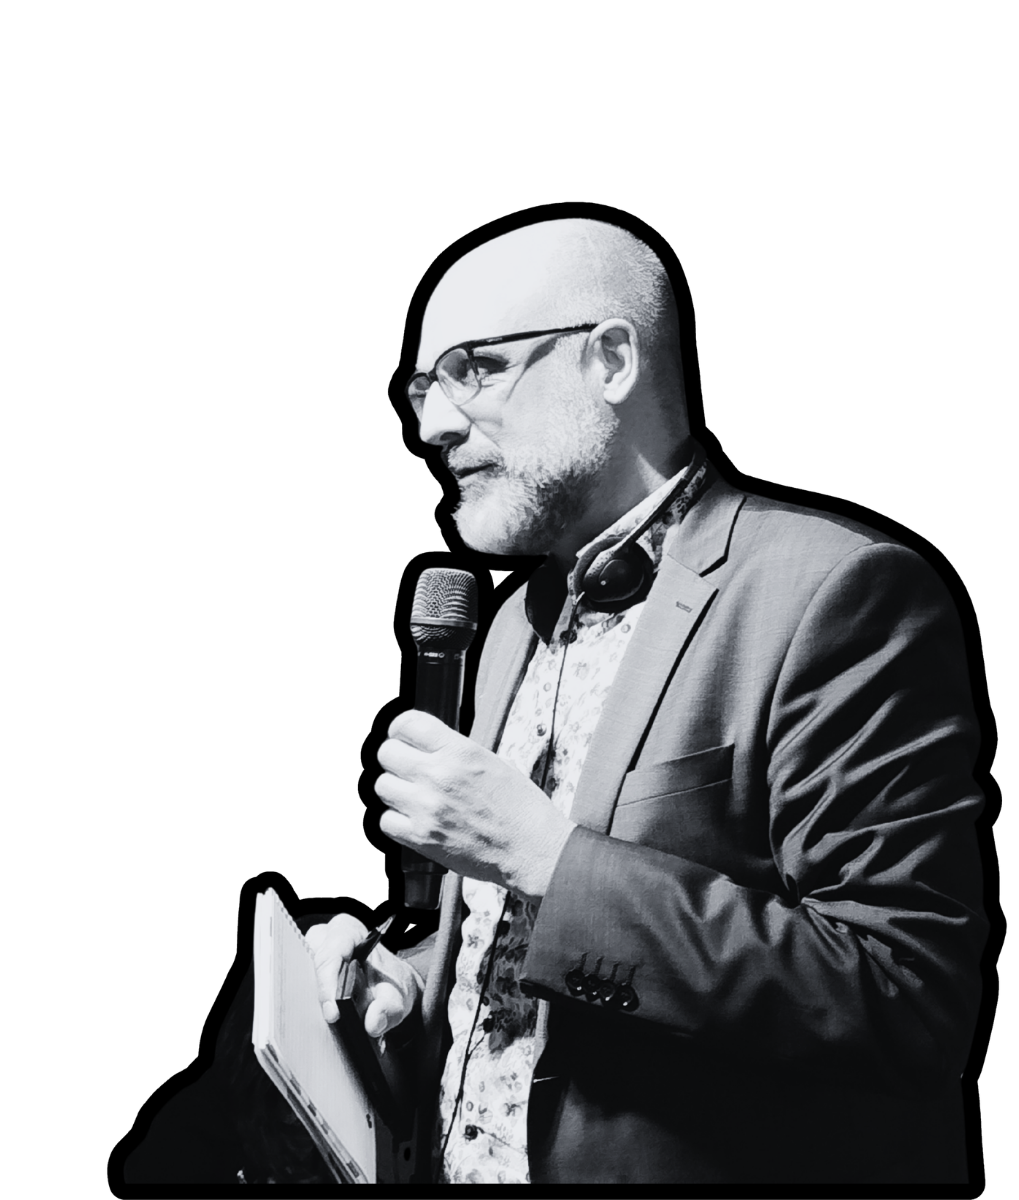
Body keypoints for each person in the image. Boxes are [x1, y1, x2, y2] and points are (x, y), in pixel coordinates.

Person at [125, 219, 987, 1183]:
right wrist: (409, 987)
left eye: (473, 369)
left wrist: (543, 855)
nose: (432, 423)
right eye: (422, 387)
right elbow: (508, 959)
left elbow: (904, 998)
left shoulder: (836, 592)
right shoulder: (512, 624)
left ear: (610, 359)